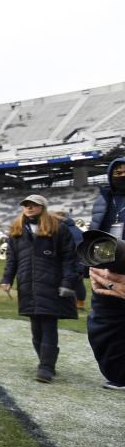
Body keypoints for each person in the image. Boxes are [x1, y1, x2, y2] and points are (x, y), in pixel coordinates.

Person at [0, 194, 78, 383]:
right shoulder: (17, 230)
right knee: (36, 328)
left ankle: (45, 368)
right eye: (26, 205)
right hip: (28, 284)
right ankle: (46, 361)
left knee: (49, 325)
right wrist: (7, 278)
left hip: (52, 284)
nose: (29, 207)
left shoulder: (59, 228)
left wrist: (68, 283)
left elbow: (69, 258)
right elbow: (12, 259)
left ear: (42, 207)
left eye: (33, 205)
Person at [87, 157, 125, 390]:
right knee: (102, 323)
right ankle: (118, 374)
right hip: (106, 266)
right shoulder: (104, 201)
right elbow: (94, 233)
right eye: (117, 172)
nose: (121, 175)